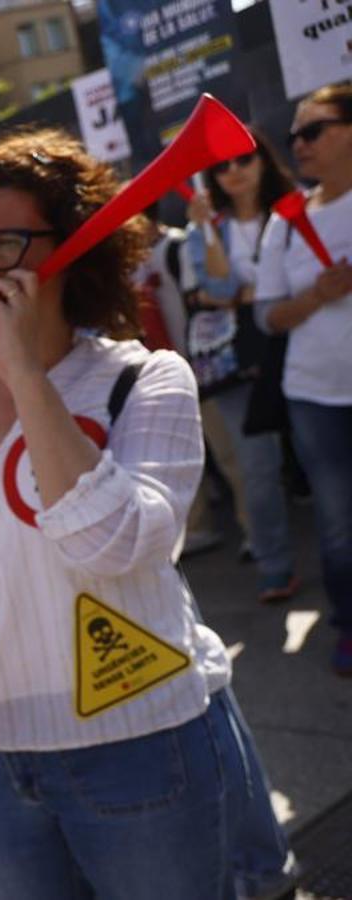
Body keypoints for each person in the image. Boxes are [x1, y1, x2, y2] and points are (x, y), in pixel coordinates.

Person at [0, 130, 279, 898]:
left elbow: (115, 546)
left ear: (73, 252)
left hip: (144, 750)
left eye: (6, 245)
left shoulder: (144, 383)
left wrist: (23, 370)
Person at [254, 82, 352, 675]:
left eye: (313, 130)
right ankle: (349, 626)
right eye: (294, 134)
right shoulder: (285, 222)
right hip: (315, 396)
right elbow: (268, 314)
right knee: (339, 525)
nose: (299, 143)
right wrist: (317, 296)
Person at [183, 128, 300, 601]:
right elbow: (223, 288)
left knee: (324, 456)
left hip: (304, 345)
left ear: (263, 162)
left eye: (243, 160)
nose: (233, 172)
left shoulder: (294, 211)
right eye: (222, 166)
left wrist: (250, 294)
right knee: (257, 466)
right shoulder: (207, 229)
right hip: (240, 363)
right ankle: (274, 565)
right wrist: (208, 228)